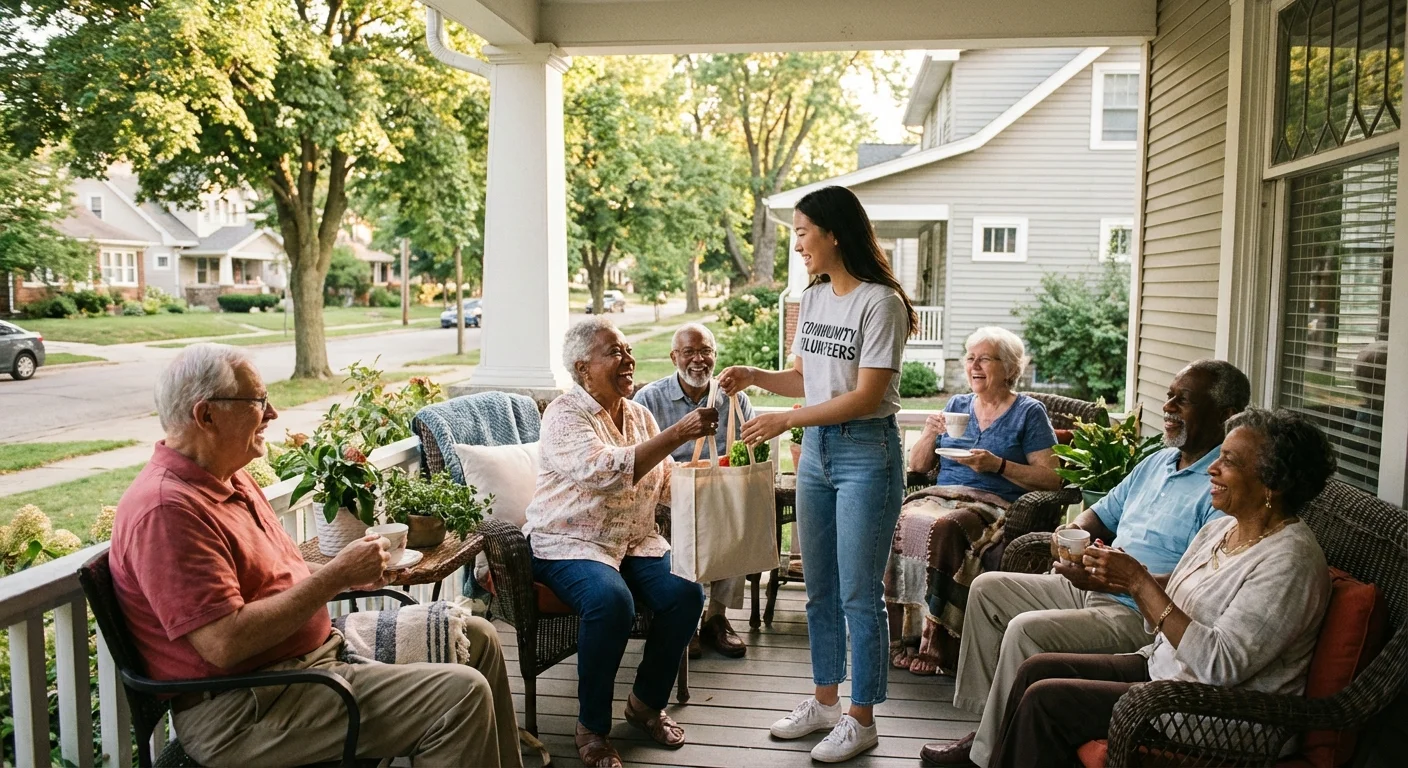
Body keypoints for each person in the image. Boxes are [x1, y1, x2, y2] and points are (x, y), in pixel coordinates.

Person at [109, 344, 522, 768]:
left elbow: (277, 576)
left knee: (478, 636)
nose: (271, 414)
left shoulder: (228, 479)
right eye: (257, 402)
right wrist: (332, 578)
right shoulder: (168, 511)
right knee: (460, 697)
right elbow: (224, 643)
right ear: (206, 415)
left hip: (304, 665)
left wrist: (351, 574)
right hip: (247, 709)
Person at [921, 359, 1252, 767]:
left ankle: (983, 755)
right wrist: (1067, 539)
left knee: (1026, 630)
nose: (1167, 406)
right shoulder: (1156, 463)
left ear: (1224, 416)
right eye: (1167, 395)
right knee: (988, 589)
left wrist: (1122, 580)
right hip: (1091, 583)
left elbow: (1198, 584)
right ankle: (989, 726)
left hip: (1139, 612)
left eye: (1181, 400)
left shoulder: (1223, 489)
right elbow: (1098, 516)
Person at [987, 408, 1335, 767]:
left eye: (1228, 461)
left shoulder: (1289, 563)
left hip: (1216, 713)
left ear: (1272, 483)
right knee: (1035, 669)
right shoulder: (1223, 529)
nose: (1212, 469)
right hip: (1163, 672)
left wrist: (1137, 581)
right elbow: (1180, 586)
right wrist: (1113, 576)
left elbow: (1220, 665)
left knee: (1047, 700)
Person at [719, 185, 917, 763]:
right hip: (818, 455)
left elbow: (865, 397)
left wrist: (788, 421)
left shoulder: (881, 303)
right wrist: (757, 375)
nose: (799, 244)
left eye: (804, 232)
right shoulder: (815, 298)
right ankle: (826, 702)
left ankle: (863, 717)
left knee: (860, 595)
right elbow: (807, 377)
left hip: (865, 454)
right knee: (819, 590)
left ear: (834, 233)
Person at [525, 317, 715, 768]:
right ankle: (591, 726)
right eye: (615, 352)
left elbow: (664, 482)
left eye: (628, 350)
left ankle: (645, 703)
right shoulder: (564, 415)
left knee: (687, 592)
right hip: (568, 542)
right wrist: (677, 434)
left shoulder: (639, 415)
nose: (628, 360)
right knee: (612, 603)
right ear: (583, 367)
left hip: (632, 541)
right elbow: (605, 472)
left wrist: (712, 479)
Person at [887, 326, 1060, 676]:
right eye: (970, 358)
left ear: (1009, 367)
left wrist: (998, 465)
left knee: (947, 528)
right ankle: (905, 636)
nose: (974, 365)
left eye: (985, 358)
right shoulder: (957, 406)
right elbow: (919, 466)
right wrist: (929, 432)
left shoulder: (1029, 412)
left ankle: (938, 643)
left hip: (992, 505)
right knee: (900, 520)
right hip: (941, 496)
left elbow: (1053, 478)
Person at [633, 322, 754, 660]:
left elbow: (749, 446)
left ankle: (716, 617)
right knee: (692, 514)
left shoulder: (734, 398)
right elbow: (639, 455)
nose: (698, 359)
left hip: (720, 489)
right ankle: (689, 620)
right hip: (669, 491)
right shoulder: (649, 399)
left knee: (737, 512)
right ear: (674, 356)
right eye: (689, 352)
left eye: (706, 351)